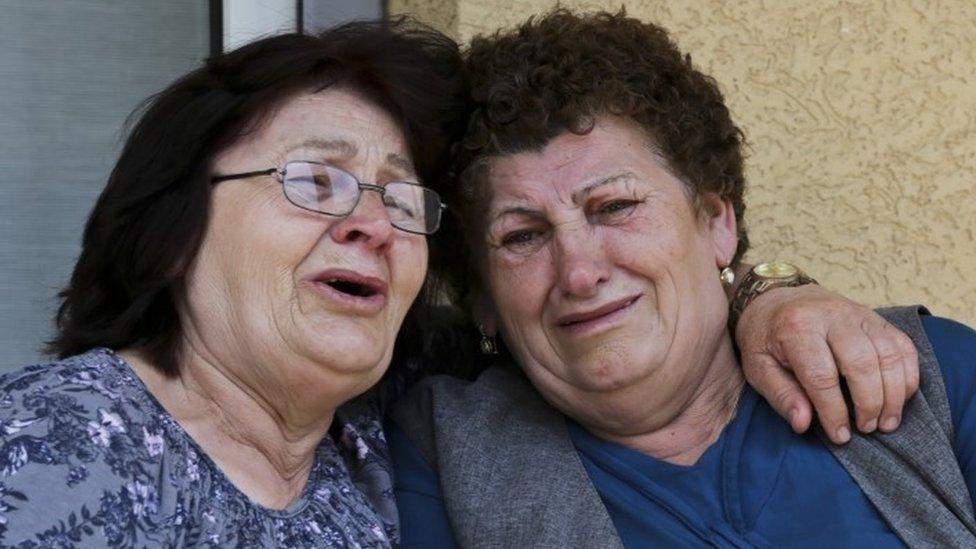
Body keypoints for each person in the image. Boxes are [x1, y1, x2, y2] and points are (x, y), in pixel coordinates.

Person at [0, 15, 919, 549]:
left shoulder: (370, 438)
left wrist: (767, 290)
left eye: (399, 197)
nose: (368, 219)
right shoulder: (58, 441)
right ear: (173, 231)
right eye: (315, 179)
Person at [389, 10, 976, 548]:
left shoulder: (930, 374)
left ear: (718, 222)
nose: (581, 272)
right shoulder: (442, 458)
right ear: (483, 298)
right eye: (521, 236)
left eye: (616, 206)